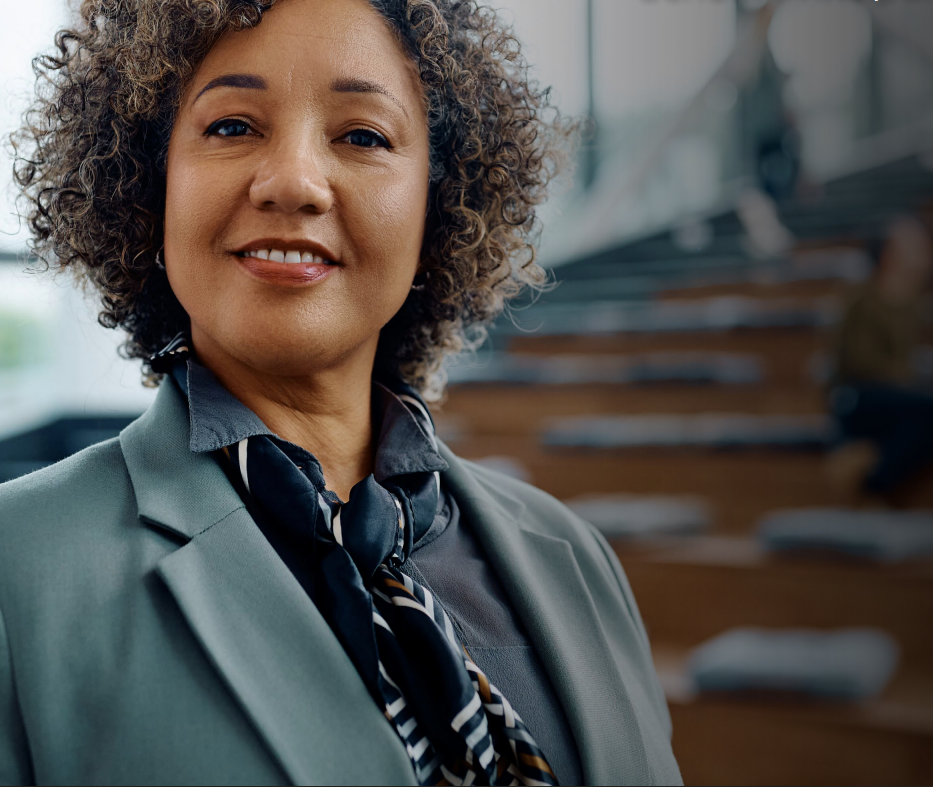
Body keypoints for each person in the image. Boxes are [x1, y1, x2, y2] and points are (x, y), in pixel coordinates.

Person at [0, 0, 681, 784]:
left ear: (439, 202)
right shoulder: (18, 578)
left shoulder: (577, 559)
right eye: (231, 126)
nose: (292, 181)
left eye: (362, 135)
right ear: (150, 183)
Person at [827, 216, 933, 500]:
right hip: (858, 398)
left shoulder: (911, 303)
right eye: (915, 248)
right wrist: (916, 377)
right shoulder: (861, 299)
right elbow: (863, 364)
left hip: (896, 398)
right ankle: (873, 485)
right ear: (889, 254)